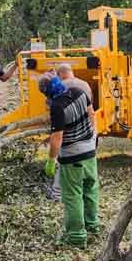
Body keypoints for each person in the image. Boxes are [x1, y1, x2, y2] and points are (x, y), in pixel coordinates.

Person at [39, 72, 99, 248]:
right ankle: (92, 226)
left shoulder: (57, 106)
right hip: (90, 150)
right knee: (90, 190)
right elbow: (91, 113)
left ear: (46, 92)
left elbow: (57, 137)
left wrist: (51, 160)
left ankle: (76, 236)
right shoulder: (79, 92)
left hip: (73, 157)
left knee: (73, 196)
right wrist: (93, 135)